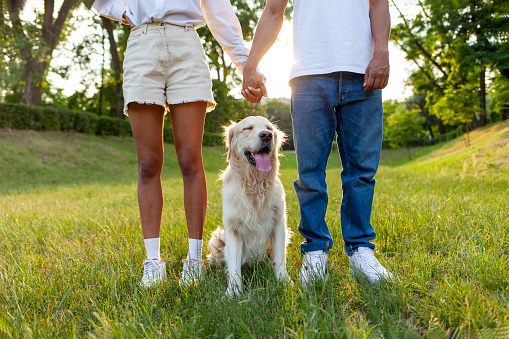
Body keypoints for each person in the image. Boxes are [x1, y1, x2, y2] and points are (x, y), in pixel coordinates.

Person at [92, 0, 252, 287]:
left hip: (186, 45)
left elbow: (218, 10)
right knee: (148, 163)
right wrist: (119, 10)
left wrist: (245, 64)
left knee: (190, 159)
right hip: (142, 43)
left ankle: (194, 260)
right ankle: (153, 261)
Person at [242, 0, 393, 284]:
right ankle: (314, 250)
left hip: (363, 71)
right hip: (308, 74)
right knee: (310, 172)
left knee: (362, 170)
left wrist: (382, 53)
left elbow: (380, 4)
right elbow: (274, 10)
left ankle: (360, 249)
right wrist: (251, 63)